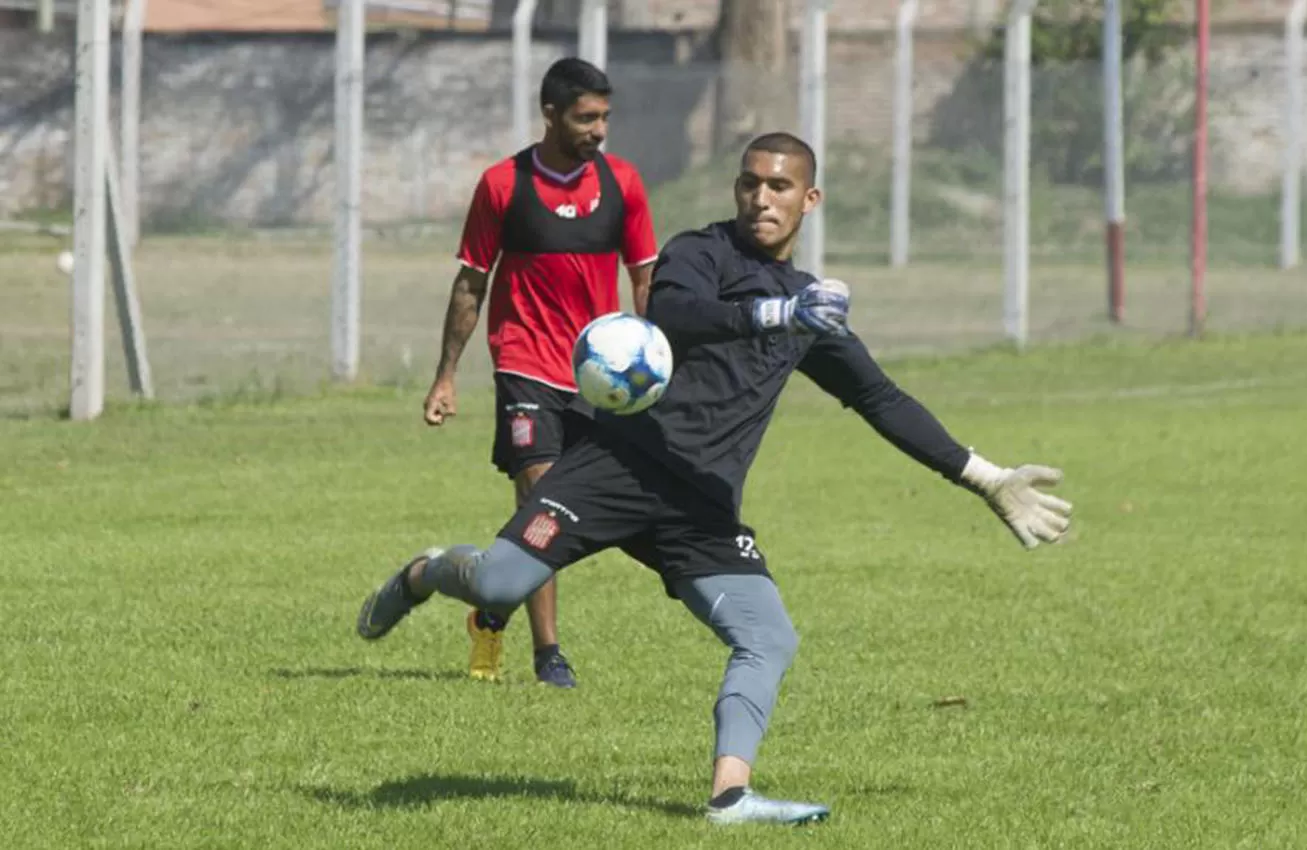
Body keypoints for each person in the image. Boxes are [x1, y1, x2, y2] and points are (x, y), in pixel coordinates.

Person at [359, 132, 1072, 824]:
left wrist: (984, 477)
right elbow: (674, 310)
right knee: (496, 586)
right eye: (750, 182)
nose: (761, 197)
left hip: (700, 504)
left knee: (768, 638)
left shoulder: (807, 309)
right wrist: (775, 313)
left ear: (809, 199)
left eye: (780, 186)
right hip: (614, 467)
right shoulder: (702, 253)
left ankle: (729, 797)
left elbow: (880, 400)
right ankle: (424, 574)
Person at [420, 58, 659, 689]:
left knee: (569, 512)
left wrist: (656, 361)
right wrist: (447, 375)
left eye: (604, 117)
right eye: (586, 117)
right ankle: (548, 653)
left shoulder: (624, 184)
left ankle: (489, 602)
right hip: (524, 364)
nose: (598, 129)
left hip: (597, 375)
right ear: (550, 115)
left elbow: (644, 278)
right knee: (542, 497)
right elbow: (472, 283)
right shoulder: (503, 185)